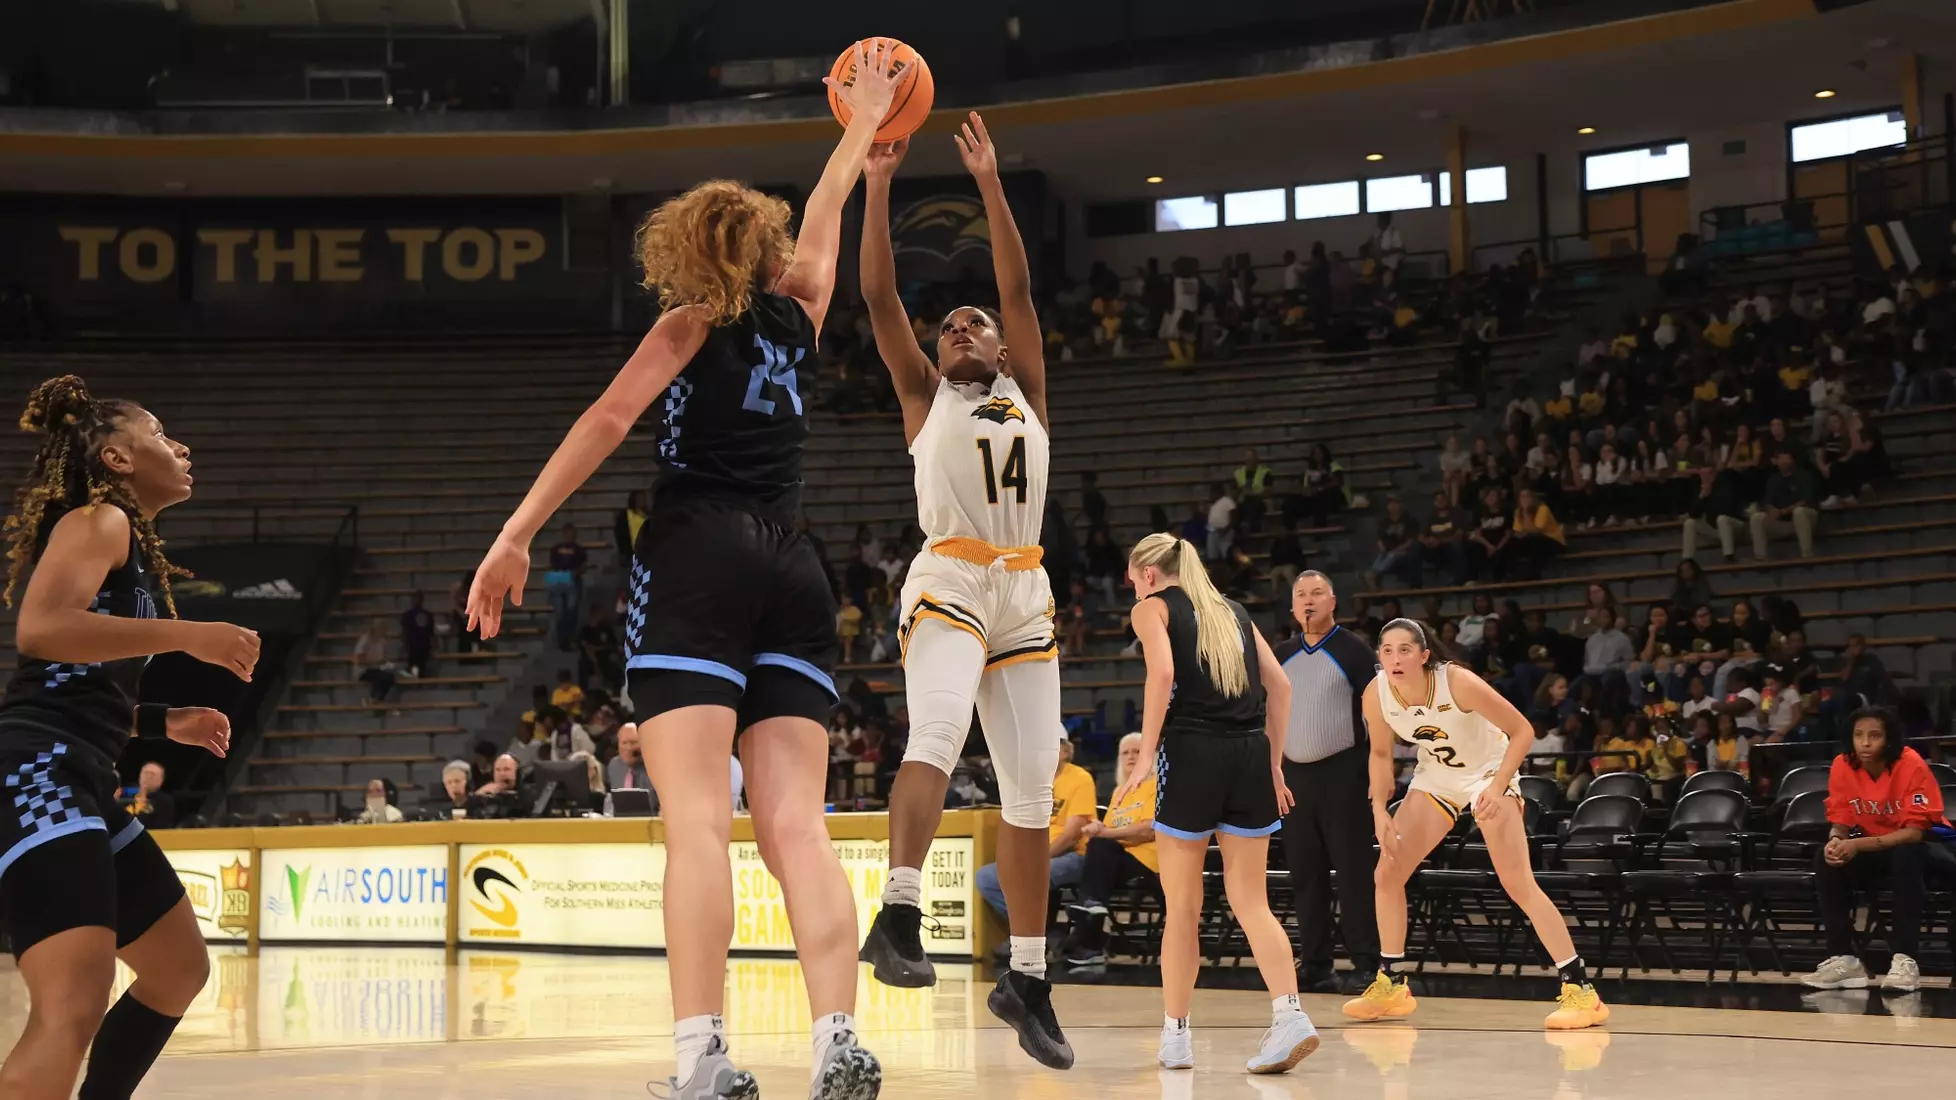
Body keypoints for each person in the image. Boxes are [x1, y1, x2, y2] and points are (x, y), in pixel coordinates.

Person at [464, 43, 903, 1098]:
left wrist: (517, 530)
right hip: (795, 563)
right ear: (763, 244)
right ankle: (840, 1038)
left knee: (699, 820)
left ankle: (702, 1058)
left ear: (687, 249)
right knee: (799, 822)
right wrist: (862, 124)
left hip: (698, 550)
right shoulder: (798, 313)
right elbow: (832, 204)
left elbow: (609, 419)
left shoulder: (687, 320)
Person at [849, 114, 1072, 1071]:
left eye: (972, 321)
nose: (959, 328)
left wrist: (988, 184)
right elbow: (878, 292)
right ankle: (898, 918)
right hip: (949, 574)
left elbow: (1016, 285)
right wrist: (877, 186)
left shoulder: (1028, 389)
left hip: (1026, 590)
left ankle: (1027, 977)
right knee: (936, 736)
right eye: (950, 328)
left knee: (1029, 792)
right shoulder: (922, 395)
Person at [0, 375, 256, 1100]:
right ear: (116, 458)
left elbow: (76, 680)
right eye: (158, 431)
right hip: (38, 771)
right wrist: (190, 636)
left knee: (178, 968)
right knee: (73, 1003)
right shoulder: (98, 520)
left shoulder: (126, 543)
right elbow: (42, 631)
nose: (179, 445)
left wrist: (165, 722)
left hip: (76, 770)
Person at [1108, 533, 1317, 1074]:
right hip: (1250, 754)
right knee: (1252, 902)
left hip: (1192, 753)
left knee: (1183, 907)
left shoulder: (1151, 609)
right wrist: (1274, 764)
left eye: (1133, 579)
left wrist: (1146, 752)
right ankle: (1290, 1013)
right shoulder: (1234, 611)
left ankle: (1177, 1035)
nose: (1133, 588)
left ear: (1148, 574)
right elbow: (1283, 688)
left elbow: (1162, 674)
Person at [1345, 619, 1607, 1030]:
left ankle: (1581, 990)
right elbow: (1380, 754)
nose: (1395, 658)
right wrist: (1379, 808)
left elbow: (1521, 730)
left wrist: (1499, 786)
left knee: (1517, 882)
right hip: (1437, 777)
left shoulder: (1458, 682)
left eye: (1405, 650)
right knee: (1387, 873)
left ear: (1424, 655)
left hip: (1489, 773)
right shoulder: (1375, 695)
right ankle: (1392, 983)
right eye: (1388, 650)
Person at [1273, 572, 1380, 995]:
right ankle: (1316, 962)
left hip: (1344, 773)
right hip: (1294, 776)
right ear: (1292, 607)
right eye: (1301, 595)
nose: (1309, 601)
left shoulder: (1354, 650)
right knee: (1306, 873)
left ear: (1333, 600)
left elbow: (1378, 713)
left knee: (1353, 872)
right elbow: (1272, 716)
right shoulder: (1281, 654)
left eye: (1317, 593)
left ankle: (1368, 964)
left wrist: (1377, 772)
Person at [1801, 708, 1955, 994]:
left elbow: (1914, 832)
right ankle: (1844, 960)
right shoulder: (1842, 765)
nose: (1865, 743)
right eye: (1858, 736)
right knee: (1827, 861)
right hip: (1880, 849)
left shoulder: (1910, 764)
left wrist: (1856, 844)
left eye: (1874, 736)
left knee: (1906, 855)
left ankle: (1904, 961)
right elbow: (1841, 818)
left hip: (1931, 849)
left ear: (1889, 739)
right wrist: (1836, 840)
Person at [1058, 732, 1160, 967]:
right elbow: (1112, 828)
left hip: (1147, 857)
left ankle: (1089, 930)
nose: (1131, 757)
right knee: (1098, 846)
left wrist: (1105, 833)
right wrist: (1097, 827)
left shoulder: (1157, 785)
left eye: (1137, 751)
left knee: (1100, 847)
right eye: (1125, 753)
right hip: (1117, 857)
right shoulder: (1120, 791)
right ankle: (1092, 912)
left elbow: (1147, 831)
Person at [973, 736, 1094, 920]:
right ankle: (1033, 930)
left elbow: (1071, 836)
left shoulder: (1080, 779)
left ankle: (1036, 933)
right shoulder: (1032, 782)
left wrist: (1037, 859)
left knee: (1028, 875)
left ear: (1066, 752)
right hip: (1037, 854)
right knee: (986, 877)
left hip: (1074, 855)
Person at [1748, 450, 1819, 560]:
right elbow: (1767, 501)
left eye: (1786, 458)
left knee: (1799, 512)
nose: (1783, 462)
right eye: (1780, 459)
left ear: (1792, 460)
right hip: (1782, 522)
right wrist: (1771, 509)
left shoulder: (1804, 476)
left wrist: (1784, 511)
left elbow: (1806, 500)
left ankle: (1807, 555)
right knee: (1757, 518)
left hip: (1805, 519)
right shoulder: (1773, 480)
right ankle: (1760, 558)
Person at [123, 761, 176, 831]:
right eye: (145, 773)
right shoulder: (126, 793)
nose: (148, 776)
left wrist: (142, 803)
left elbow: (159, 827)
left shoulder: (165, 801)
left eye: (152, 774)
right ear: (140, 776)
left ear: (160, 781)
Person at [607, 722, 653, 796]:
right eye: (624, 743)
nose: (629, 748)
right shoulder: (614, 766)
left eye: (633, 742)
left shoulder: (654, 769)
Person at [399, 591, 436, 678]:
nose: (417, 600)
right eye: (415, 598)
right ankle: (414, 681)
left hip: (424, 645)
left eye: (419, 598)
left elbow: (431, 632)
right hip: (412, 645)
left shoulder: (428, 615)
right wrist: (404, 644)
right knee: (413, 665)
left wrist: (434, 645)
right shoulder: (407, 615)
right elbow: (404, 631)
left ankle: (421, 682)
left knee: (422, 665)